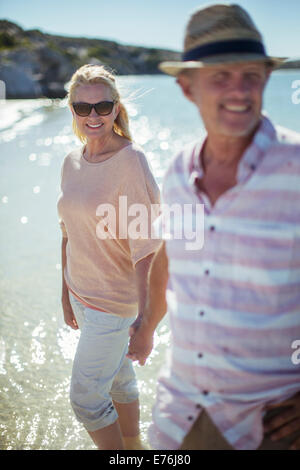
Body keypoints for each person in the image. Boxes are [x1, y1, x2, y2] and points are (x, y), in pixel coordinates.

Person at [127, 4, 300, 450]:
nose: (239, 90)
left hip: (270, 423)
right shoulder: (178, 169)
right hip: (178, 415)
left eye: (252, 75)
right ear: (187, 88)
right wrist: (146, 326)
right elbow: (171, 252)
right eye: (220, 76)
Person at [57, 64, 160, 450]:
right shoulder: (71, 161)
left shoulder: (131, 162)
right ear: (72, 111)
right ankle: (135, 449)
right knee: (117, 382)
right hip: (81, 297)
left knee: (85, 399)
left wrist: (146, 323)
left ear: (116, 109)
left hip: (113, 307)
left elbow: (147, 251)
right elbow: (67, 232)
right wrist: (64, 293)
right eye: (83, 108)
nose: (93, 116)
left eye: (102, 106)